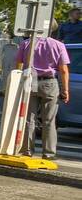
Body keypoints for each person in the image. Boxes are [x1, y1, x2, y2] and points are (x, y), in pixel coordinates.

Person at [15, 26, 71, 160]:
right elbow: (63, 69)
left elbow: (18, 65)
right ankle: (48, 153)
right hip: (49, 83)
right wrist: (65, 90)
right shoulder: (58, 45)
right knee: (49, 120)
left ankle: (27, 150)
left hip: (30, 80)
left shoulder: (26, 43)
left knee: (29, 119)